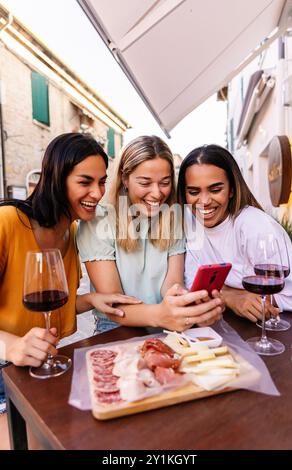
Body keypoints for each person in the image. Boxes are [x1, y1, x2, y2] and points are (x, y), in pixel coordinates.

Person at [0, 132, 141, 373]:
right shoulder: (7, 222)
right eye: (85, 182)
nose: (97, 193)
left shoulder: (74, 231)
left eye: (101, 182)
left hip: (37, 364)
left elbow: (49, 300)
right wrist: (11, 347)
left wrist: (92, 300)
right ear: (57, 179)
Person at [77, 135, 223, 333]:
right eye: (145, 183)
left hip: (165, 324)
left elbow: (172, 285)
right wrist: (162, 315)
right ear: (125, 178)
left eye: (164, 182)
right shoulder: (97, 222)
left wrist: (186, 304)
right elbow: (114, 306)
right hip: (116, 328)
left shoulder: (173, 218)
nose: (157, 193)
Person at [177, 144, 292, 322]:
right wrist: (230, 297)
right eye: (193, 192)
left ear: (232, 190)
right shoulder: (189, 222)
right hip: (223, 326)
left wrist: (246, 298)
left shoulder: (254, 225)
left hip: (276, 326)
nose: (204, 201)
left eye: (215, 189)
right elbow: (192, 285)